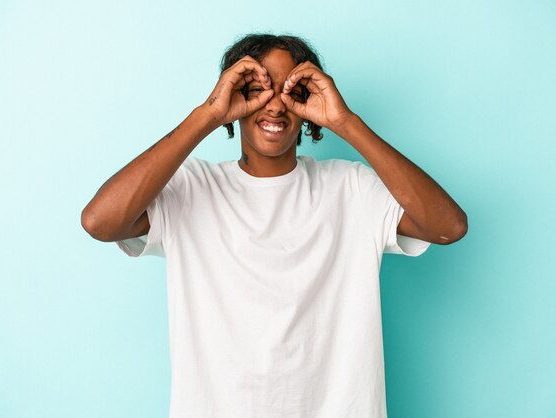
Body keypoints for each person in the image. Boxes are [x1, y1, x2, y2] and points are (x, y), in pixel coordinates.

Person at [81, 33, 467, 418]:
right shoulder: (190, 188)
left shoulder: (351, 188)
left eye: (291, 92)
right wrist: (207, 115)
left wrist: (346, 122)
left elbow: (448, 226)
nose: (276, 107)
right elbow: (100, 221)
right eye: (257, 90)